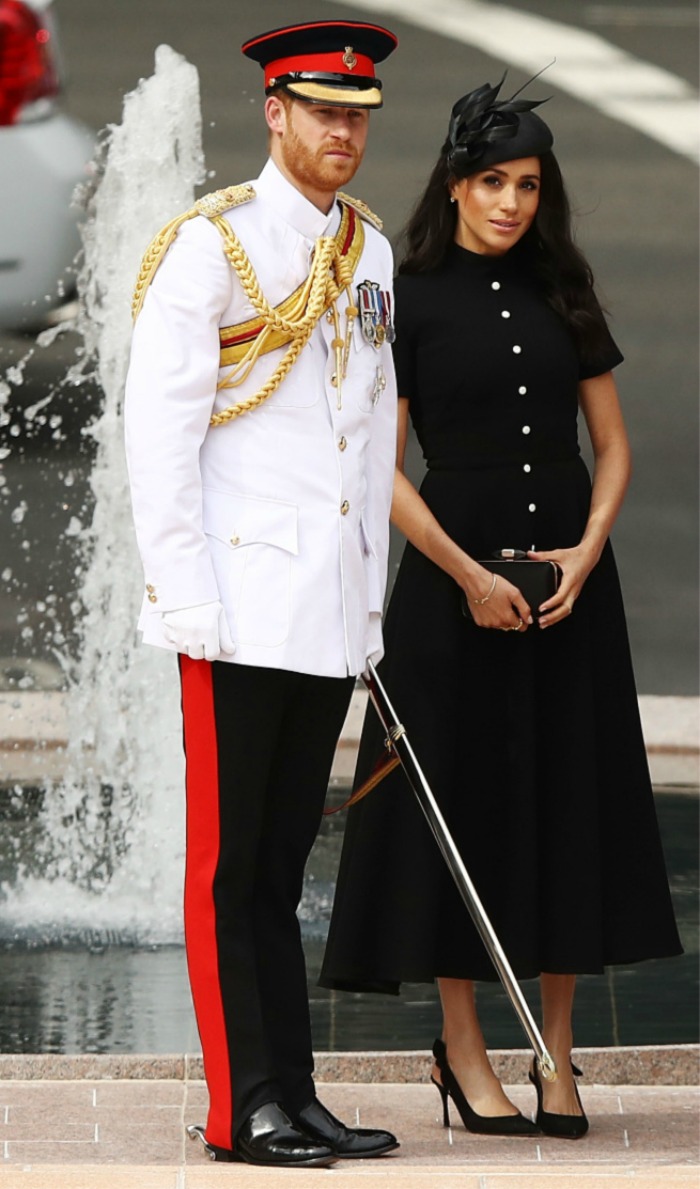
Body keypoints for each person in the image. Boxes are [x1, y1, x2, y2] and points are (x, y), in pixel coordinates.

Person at [320, 77, 683, 1141]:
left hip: (572, 589)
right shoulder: (406, 291)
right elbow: (378, 471)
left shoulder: (561, 286)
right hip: (449, 586)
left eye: (527, 184)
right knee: (458, 811)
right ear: (455, 184)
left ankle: (557, 1055)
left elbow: (610, 444)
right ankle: (463, 1050)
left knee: (570, 800)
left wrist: (587, 550)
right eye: (492, 182)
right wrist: (467, 574)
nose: (510, 202)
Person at [123, 20, 401, 1169]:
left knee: (283, 865)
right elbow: (160, 434)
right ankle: (243, 1108)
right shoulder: (210, 249)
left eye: (358, 116)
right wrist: (182, 592)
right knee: (229, 869)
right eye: (321, 112)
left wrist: (368, 603)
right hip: (234, 607)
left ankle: (296, 1089)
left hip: (323, 612)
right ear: (274, 112)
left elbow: (369, 431)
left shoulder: (369, 253)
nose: (342, 133)